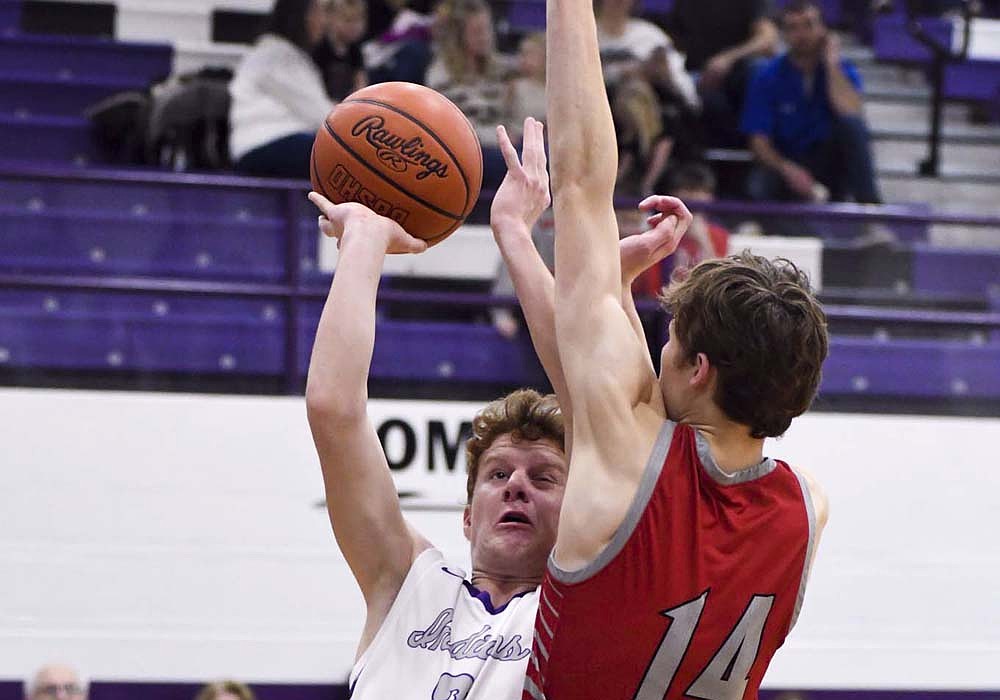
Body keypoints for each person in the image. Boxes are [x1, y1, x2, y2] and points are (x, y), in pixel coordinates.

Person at [306, 115, 677, 698]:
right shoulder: (403, 581)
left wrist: (513, 232)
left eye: (545, 477)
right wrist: (365, 241)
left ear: (583, 504)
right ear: (467, 514)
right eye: (499, 474)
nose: (516, 487)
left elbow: (588, 387)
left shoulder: (590, 601)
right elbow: (333, 410)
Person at [522, 0, 830, 697]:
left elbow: (579, 184)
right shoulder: (807, 511)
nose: (655, 354)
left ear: (698, 368)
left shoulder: (628, 455)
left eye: (672, 341)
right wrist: (618, 286)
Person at [741, 1, 882, 203]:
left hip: (828, 159)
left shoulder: (842, 70)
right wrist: (788, 169)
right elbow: (759, 142)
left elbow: (851, 113)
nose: (802, 34)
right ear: (784, 35)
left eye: (808, 25)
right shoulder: (767, 76)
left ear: (823, 30)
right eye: (793, 28)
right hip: (786, 161)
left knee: (851, 127)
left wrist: (832, 64)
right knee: (758, 184)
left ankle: (871, 210)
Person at [596, 0, 700, 195]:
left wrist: (651, 74)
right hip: (600, 109)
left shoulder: (650, 37)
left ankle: (645, 178)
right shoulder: (582, 34)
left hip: (651, 111)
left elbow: (684, 91)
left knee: (661, 116)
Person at [229, 0, 334, 178]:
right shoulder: (275, 54)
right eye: (318, 12)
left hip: (278, 143)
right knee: (349, 157)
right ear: (299, 15)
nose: (324, 21)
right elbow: (321, 115)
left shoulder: (288, 54)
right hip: (266, 144)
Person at [660, 0, 779, 147]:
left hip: (738, 75)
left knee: (759, 69)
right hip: (694, 77)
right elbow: (672, 43)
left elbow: (767, 41)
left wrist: (728, 58)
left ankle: (760, 145)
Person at [424, 0, 512, 189]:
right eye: (478, 31)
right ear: (459, 37)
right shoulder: (441, 74)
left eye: (488, 29)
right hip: (467, 152)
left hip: (500, 145)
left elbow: (504, 114)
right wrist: (502, 139)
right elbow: (457, 128)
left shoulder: (496, 69)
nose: (486, 37)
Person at [632, 162, 730, 298]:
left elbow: (720, 285)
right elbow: (649, 288)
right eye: (688, 189)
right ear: (673, 194)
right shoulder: (656, 229)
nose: (694, 197)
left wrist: (703, 241)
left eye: (701, 190)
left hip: (701, 304)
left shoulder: (718, 234)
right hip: (658, 306)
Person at [313, 0, 368, 101]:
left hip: (347, 104)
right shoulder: (320, 49)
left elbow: (360, 83)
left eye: (359, 20)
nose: (355, 26)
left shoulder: (355, 50)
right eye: (348, 20)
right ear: (330, 19)